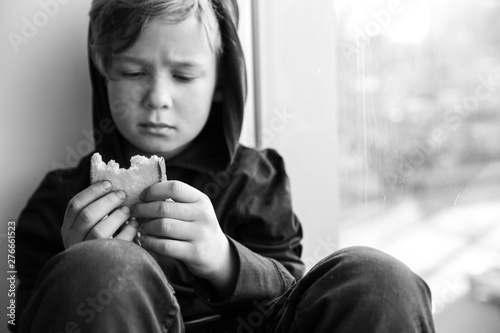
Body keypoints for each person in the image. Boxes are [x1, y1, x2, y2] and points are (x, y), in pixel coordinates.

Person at [12, 0, 436, 332]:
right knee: (98, 267)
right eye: (134, 71)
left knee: (377, 278)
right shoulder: (55, 201)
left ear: (221, 83)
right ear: (104, 74)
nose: (158, 96)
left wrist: (224, 259)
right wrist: (76, 269)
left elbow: (295, 293)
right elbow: (14, 312)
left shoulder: (258, 179)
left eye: (183, 76)